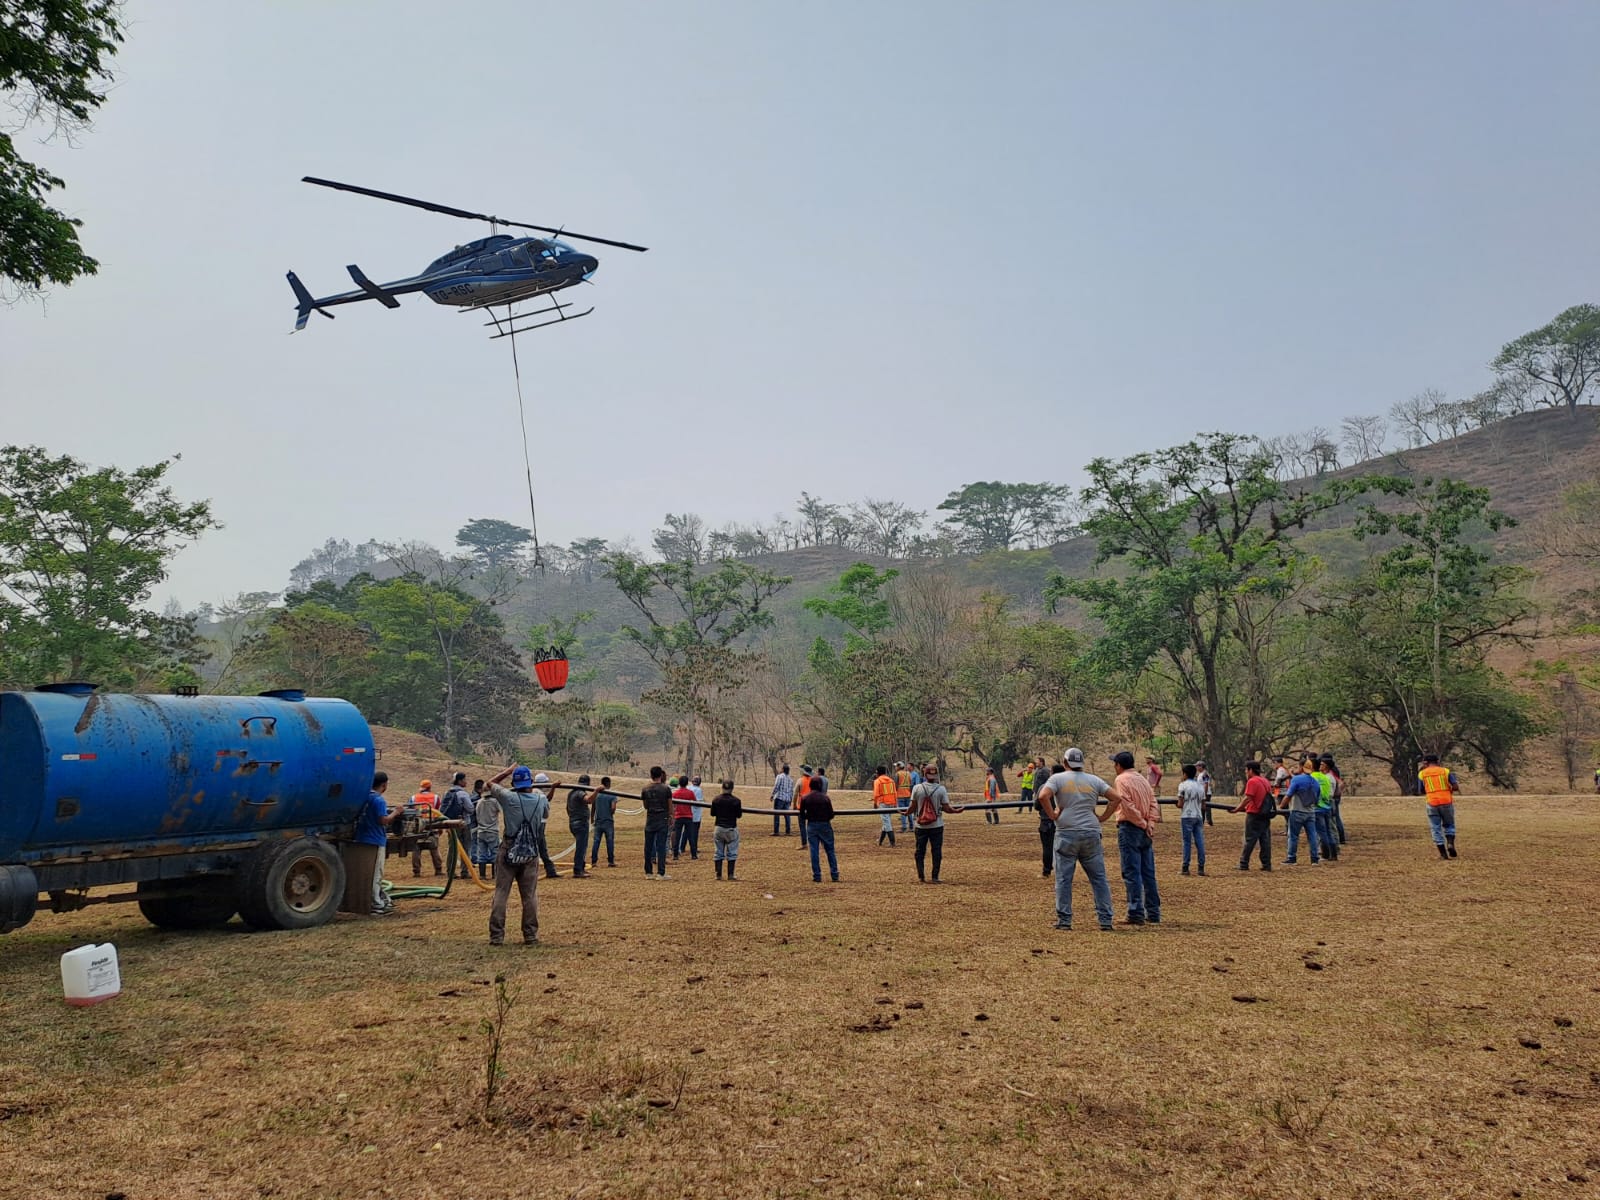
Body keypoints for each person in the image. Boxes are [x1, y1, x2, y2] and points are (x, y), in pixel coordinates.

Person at [1035, 748, 1117, 931]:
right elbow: (1116, 798)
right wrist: (1103, 817)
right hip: (1091, 832)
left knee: (1064, 879)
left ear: (1065, 763)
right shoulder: (1094, 780)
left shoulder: (1057, 779)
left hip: (1066, 833)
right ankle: (1105, 920)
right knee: (1099, 878)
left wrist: (1053, 815)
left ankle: (1064, 920)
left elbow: (1042, 796)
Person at [485, 765, 549, 946]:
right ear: (530, 783)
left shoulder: (508, 797)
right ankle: (530, 935)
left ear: (514, 783)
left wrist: (506, 772)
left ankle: (496, 936)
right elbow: (546, 813)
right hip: (531, 853)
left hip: (508, 850)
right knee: (529, 895)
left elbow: (490, 784)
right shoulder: (540, 800)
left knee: (501, 893)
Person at [1108, 750, 1161, 925]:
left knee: (1131, 871)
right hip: (1145, 829)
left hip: (1131, 828)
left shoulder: (1121, 780)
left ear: (1119, 765)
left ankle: (1135, 911)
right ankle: (1153, 912)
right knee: (1148, 872)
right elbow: (1154, 803)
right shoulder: (1142, 780)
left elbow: (1127, 805)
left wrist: (1141, 823)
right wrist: (1150, 823)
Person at [909, 763, 964, 883]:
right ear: (936, 775)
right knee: (936, 851)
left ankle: (921, 876)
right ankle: (935, 876)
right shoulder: (941, 789)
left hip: (920, 826)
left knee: (920, 851)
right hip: (937, 825)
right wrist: (956, 811)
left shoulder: (917, 788)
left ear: (924, 774)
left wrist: (904, 813)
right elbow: (946, 808)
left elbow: (912, 807)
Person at [356, 771, 397, 914]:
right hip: (376, 840)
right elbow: (383, 820)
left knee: (365, 874)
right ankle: (376, 905)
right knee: (376, 875)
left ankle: (371, 900)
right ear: (384, 785)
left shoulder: (364, 797)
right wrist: (396, 812)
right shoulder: (379, 800)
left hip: (361, 839)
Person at [1231, 760, 1274, 871]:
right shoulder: (1265, 781)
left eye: (1246, 770)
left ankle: (1243, 863)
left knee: (1249, 839)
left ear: (1250, 770)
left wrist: (1237, 808)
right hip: (1265, 814)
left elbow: (1248, 798)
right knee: (1265, 839)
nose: (1246, 772)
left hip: (1254, 814)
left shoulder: (1252, 781)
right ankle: (1266, 864)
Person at [1416, 753, 1460, 859]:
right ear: (1437, 762)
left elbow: (1421, 790)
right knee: (1449, 825)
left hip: (1432, 802)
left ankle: (1443, 854)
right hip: (1446, 801)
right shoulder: (1445, 771)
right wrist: (1448, 788)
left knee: (1435, 827)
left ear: (1425, 763)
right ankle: (1450, 844)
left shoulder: (1422, 774)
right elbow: (1455, 786)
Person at [799, 774, 839, 883]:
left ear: (811, 785)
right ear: (821, 786)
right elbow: (831, 814)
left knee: (814, 850)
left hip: (812, 825)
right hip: (825, 825)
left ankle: (817, 875)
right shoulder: (825, 798)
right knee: (830, 850)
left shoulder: (805, 798)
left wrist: (810, 817)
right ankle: (834, 874)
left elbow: (802, 815)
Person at [1282, 759, 1323, 865]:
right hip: (1310, 812)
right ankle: (1314, 858)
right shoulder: (1315, 782)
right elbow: (1317, 799)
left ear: (1301, 767)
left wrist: (1281, 806)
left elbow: (1288, 795)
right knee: (1312, 836)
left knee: (1293, 836)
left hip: (1297, 811)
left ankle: (1292, 858)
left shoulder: (1296, 779)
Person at [438, 772, 475, 879]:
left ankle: (450, 871)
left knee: (452, 848)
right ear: (460, 781)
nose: (466, 781)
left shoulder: (447, 792)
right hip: (463, 823)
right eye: (464, 779)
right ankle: (464, 871)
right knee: (465, 848)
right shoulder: (463, 794)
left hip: (450, 824)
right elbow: (470, 809)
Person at [641, 766, 673, 879]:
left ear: (651, 775)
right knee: (661, 846)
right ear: (661, 775)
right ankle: (661, 873)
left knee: (648, 847)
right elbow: (670, 806)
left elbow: (645, 806)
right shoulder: (666, 789)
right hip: (662, 819)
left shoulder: (645, 789)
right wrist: (670, 817)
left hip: (650, 819)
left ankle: (648, 872)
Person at [409, 779, 444, 877]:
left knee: (416, 849)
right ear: (430, 787)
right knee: (434, 848)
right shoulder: (436, 797)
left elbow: (410, 811)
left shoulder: (413, 797)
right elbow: (438, 812)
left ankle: (416, 871)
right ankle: (438, 870)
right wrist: (440, 828)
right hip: (432, 826)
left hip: (418, 826)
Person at [1176, 763, 1206, 876]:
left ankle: (1185, 867)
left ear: (1185, 774)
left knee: (1187, 842)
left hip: (1187, 816)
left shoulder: (1182, 785)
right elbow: (1203, 805)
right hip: (1198, 816)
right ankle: (1201, 868)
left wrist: (1178, 804)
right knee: (1199, 841)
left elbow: (1180, 804)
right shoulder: (1200, 786)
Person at [711, 779, 742, 880]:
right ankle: (730, 874)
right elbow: (739, 815)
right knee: (732, 852)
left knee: (718, 852)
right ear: (732, 789)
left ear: (722, 787)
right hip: (731, 828)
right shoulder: (736, 801)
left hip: (719, 828)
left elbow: (713, 813)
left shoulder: (716, 799)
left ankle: (718, 874)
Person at [1309, 758, 1340, 862]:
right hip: (1327, 805)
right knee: (1328, 831)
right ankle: (1333, 854)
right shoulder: (1326, 777)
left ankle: (1326, 854)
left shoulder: (1313, 777)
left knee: (1322, 833)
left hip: (1318, 807)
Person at [471, 779, 500, 880]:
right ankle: (495, 874)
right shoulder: (494, 802)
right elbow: (500, 810)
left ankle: (482, 875)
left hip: (481, 831)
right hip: (492, 831)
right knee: (495, 853)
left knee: (481, 854)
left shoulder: (479, 802)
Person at [1036, 761, 1061, 878]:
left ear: (1051, 773)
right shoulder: (1068, 786)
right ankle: (1061, 871)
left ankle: (1046, 871)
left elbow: (1037, 805)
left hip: (1047, 821)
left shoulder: (1044, 787)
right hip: (1063, 821)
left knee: (1047, 847)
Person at [566, 775, 592, 879]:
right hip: (580, 823)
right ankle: (578, 870)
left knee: (582, 846)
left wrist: (573, 817)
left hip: (573, 822)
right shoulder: (580, 792)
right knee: (581, 847)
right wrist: (597, 791)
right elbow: (589, 800)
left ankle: (581, 867)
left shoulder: (571, 793)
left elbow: (567, 808)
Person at [589, 776, 618, 868]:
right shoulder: (612, 794)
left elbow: (593, 807)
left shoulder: (597, 794)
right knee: (609, 841)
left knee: (596, 841)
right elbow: (613, 808)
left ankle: (594, 861)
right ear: (608, 783)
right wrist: (611, 812)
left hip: (598, 821)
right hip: (608, 821)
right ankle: (610, 861)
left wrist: (592, 818)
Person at [1322, 754, 1348, 844]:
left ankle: (1339, 839)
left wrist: (1336, 793)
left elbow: (1341, 783)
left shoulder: (1331, 772)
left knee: (1334, 819)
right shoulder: (1334, 769)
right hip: (1334, 797)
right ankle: (1341, 838)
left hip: (1332, 798)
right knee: (1335, 817)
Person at [671, 776, 697, 861]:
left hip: (678, 816)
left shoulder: (675, 793)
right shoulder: (690, 793)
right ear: (687, 783)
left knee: (677, 836)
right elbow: (695, 801)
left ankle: (675, 855)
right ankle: (693, 854)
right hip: (688, 816)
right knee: (690, 836)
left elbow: (672, 804)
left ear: (679, 783)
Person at [872, 765, 899, 846]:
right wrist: (895, 803)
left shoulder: (877, 781)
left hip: (883, 803)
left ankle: (892, 841)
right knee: (886, 822)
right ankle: (880, 841)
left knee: (886, 822)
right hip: (891, 803)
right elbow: (895, 792)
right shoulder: (891, 780)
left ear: (877, 773)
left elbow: (876, 794)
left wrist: (875, 804)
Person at [770, 764, 795, 836]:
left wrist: (772, 795)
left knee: (777, 814)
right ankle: (788, 831)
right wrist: (790, 800)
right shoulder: (791, 779)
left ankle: (776, 831)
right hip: (787, 799)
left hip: (779, 798)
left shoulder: (779, 777)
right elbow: (791, 791)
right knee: (787, 815)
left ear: (783, 769)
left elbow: (776, 786)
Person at [795, 767, 814, 848]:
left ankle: (804, 843)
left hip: (802, 805)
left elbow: (795, 794)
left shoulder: (800, 780)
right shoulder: (813, 781)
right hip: (811, 805)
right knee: (811, 824)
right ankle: (812, 842)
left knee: (802, 825)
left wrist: (794, 805)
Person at [689, 775, 706, 859]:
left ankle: (681, 847)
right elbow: (697, 802)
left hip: (688, 813)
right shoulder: (698, 790)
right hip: (695, 814)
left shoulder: (689, 788)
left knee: (686, 832)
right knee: (695, 832)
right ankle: (694, 848)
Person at [895, 762, 914, 832]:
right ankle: (911, 827)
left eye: (896, 766)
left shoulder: (898, 774)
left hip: (900, 795)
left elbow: (896, 785)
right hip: (908, 794)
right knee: (909, 811)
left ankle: (904, 827)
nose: (895, 768)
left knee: (902, 811)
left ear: (899, 767)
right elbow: (911, 784)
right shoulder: (908, 773)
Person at [1195, 760, 1215, 827]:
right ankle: (1202, 822)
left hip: (1206, 793)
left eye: (1197, 766)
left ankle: (1209, 822)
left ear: (1201, 766)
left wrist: (1205, 794)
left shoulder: (1205, 774)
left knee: (1207, 808)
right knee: (1202, 808)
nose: (1196, 768)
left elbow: (1206, 784)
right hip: (1202, 793)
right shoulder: (1200, 774)